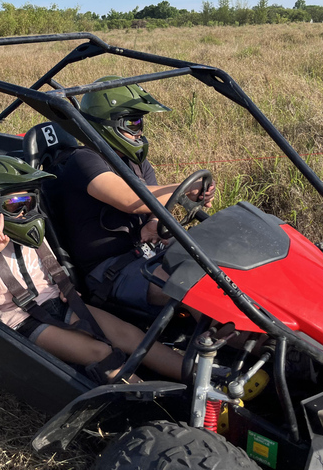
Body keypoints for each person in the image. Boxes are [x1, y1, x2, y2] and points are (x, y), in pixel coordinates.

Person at [0, 155, 183, 384]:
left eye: (29, 203)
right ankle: (156, 404)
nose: (24, 212)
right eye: (15, 205)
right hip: (22, 320)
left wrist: (66, 288)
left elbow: (51, 270)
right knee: (100, 352)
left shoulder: (32, 236)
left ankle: (200, 377)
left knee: (130, 335)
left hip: (59, 304)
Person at [44, 76, 215, 312]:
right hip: (111, 269)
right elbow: (131, 200)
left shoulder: (135, 162)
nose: (139, 132)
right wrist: (187, 188)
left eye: (140, 123)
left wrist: (154, 222)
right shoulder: (83, 160)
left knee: (223, 262)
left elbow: (153, 203)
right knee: (197, 288)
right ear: (108, 125)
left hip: (148, 250)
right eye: (132, 124)